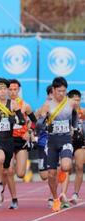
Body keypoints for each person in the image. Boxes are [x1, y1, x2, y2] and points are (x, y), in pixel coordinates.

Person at [36, 77, 79, 212]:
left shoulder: (71, 103)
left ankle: (63, 172)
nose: (61, 94)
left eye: (64, 91)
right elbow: (39, 123)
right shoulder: (47, 105)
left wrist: (74, 127)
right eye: (59, 91)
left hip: (65, 139)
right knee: (50, 174)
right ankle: (55, 199)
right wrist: (43, 125)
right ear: (53, 90)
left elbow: (75, 115)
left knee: (66, 166)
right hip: (52, 142)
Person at [0, 78, 25, 208]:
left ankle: (11, 196)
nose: (3, 91)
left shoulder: (14, 104)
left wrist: (16, 120)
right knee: (0, 158)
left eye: (5, 88)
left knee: (8, 170)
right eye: (0, 89)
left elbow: (22, 121)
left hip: (9, 140)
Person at [8, 79, 38, 209]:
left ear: (19, 90)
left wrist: (30, 131)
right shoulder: (3, 105)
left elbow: (34, 121)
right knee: (8, 170)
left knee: (20, 173)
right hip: (7, 139)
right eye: (10, 89)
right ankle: (13, 198)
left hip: (21, 140)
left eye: (15, 89)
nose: (13, 92)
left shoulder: (25, 105)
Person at [68, 89, 84, 205]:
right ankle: (61, 193)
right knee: (65, 169)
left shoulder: (83, 112)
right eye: (74, 100)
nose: (76, 102)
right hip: (66, 142)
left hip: (80, 143)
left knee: (79, 166)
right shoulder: (64, 112)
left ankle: (75, 193)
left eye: (78, 100)